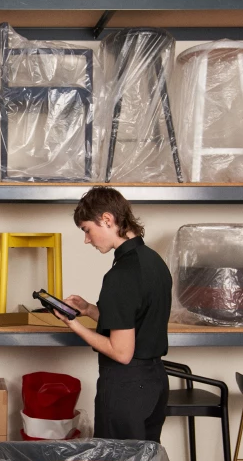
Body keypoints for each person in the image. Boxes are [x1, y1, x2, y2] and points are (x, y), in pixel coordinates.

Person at [52, 186, 172, 443]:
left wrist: (74, 324)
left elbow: (121, 352)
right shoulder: (154, 262)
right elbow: (134, 321)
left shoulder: (120, 275)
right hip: (155, 383)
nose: (87, 239)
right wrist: (89, 310)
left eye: (87, 230)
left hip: (125, 388)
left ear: (107, 219)